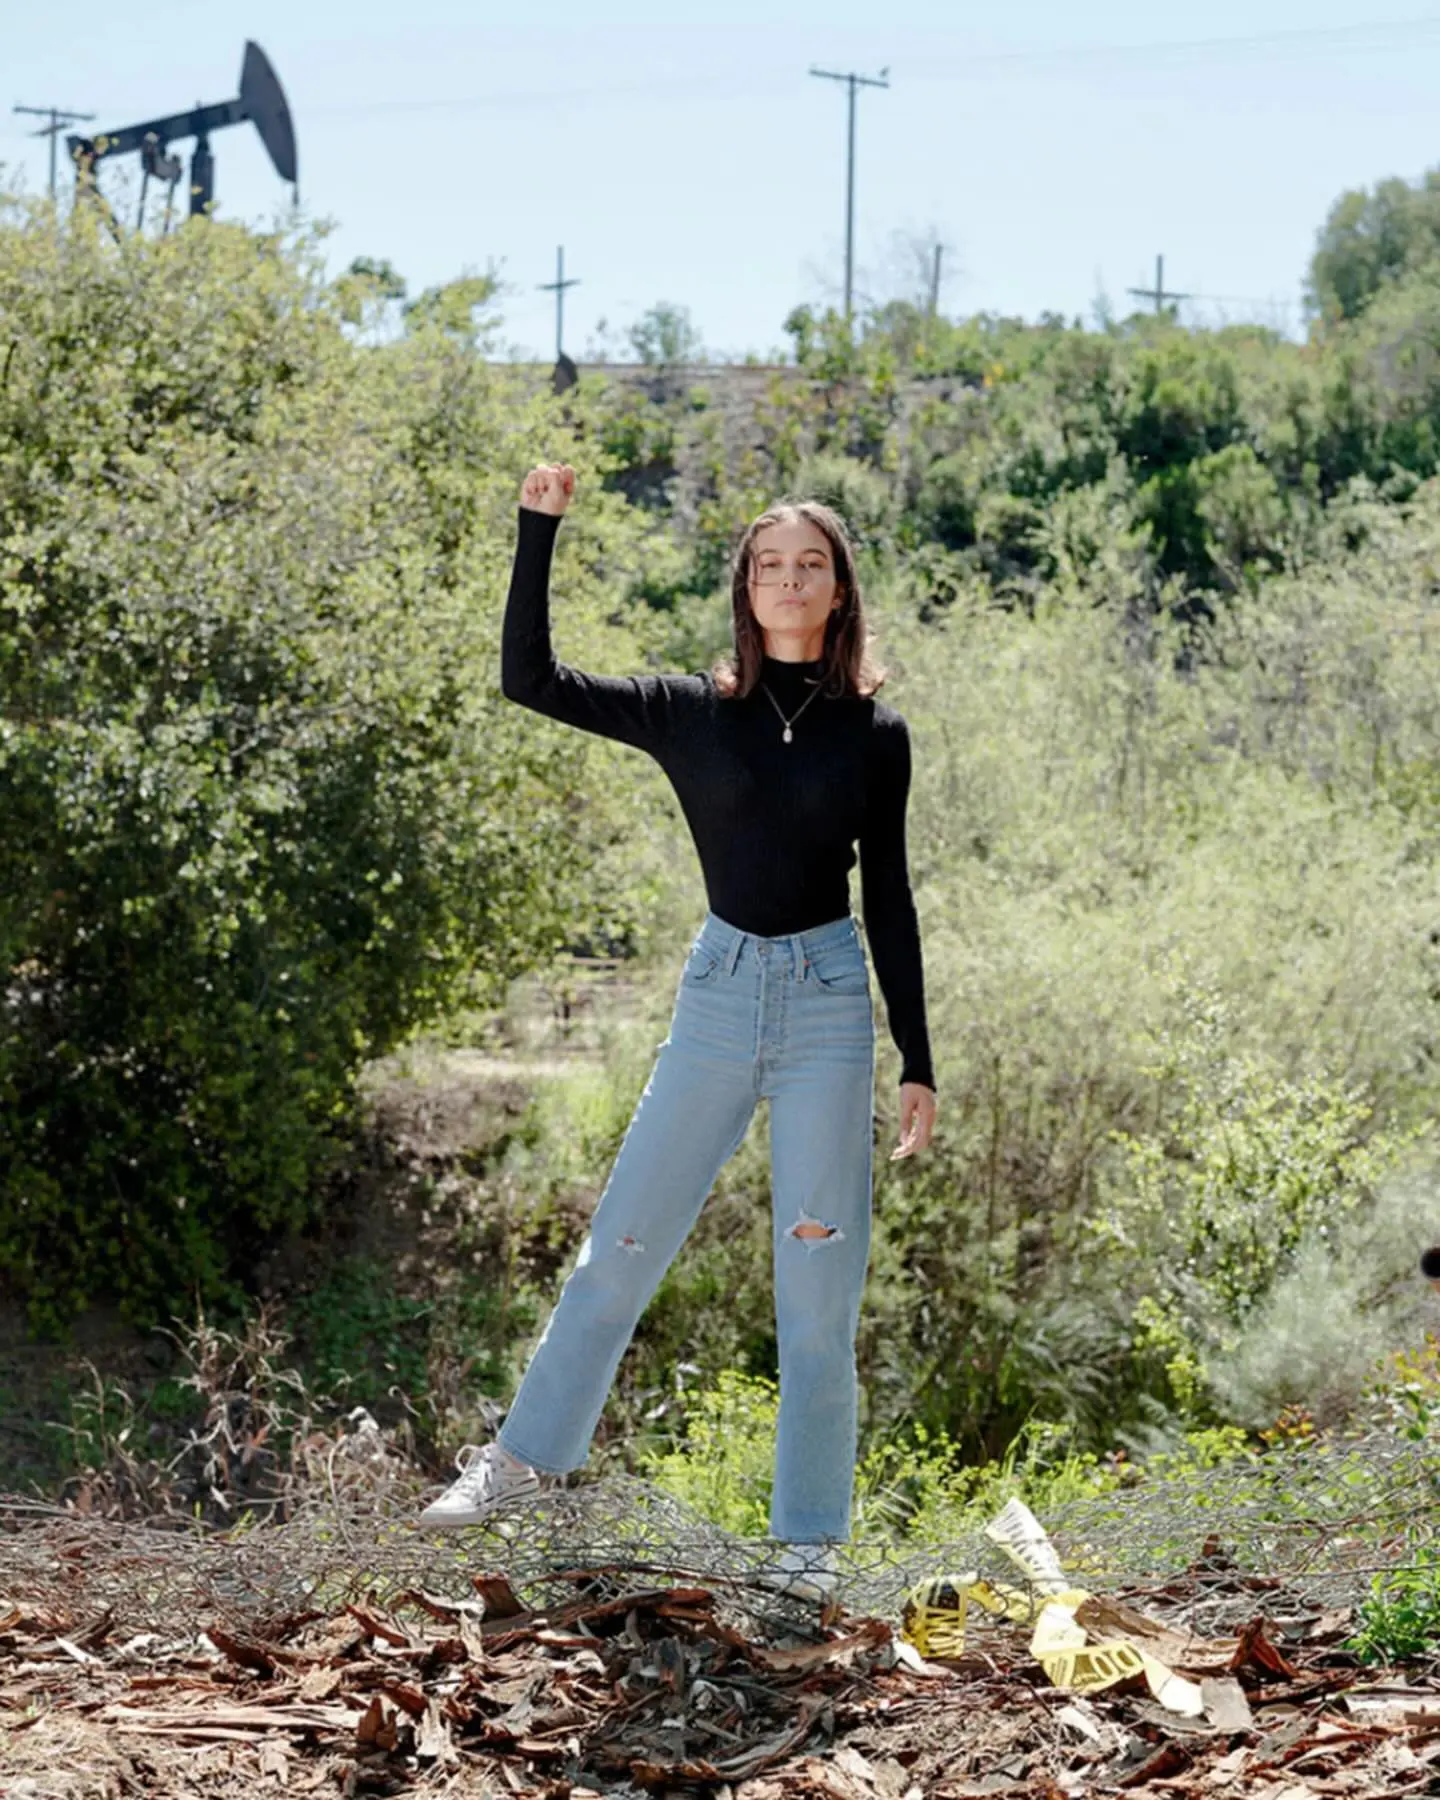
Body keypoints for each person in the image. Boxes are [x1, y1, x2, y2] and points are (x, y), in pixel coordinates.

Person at [419, 460, 937, 1599]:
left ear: (839, 591)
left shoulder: (877, 735)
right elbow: (529, 679)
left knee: (817, 1293)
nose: (788, 582)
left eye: (810, 566)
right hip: (717, 997)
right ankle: (518, 1462)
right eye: (768, 566)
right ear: (744, 588)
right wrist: (536, 529)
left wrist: (918, 1058)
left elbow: (888, 897)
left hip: (829, 1009)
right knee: (623, 1245)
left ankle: (807, 1549)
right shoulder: (690, 714)